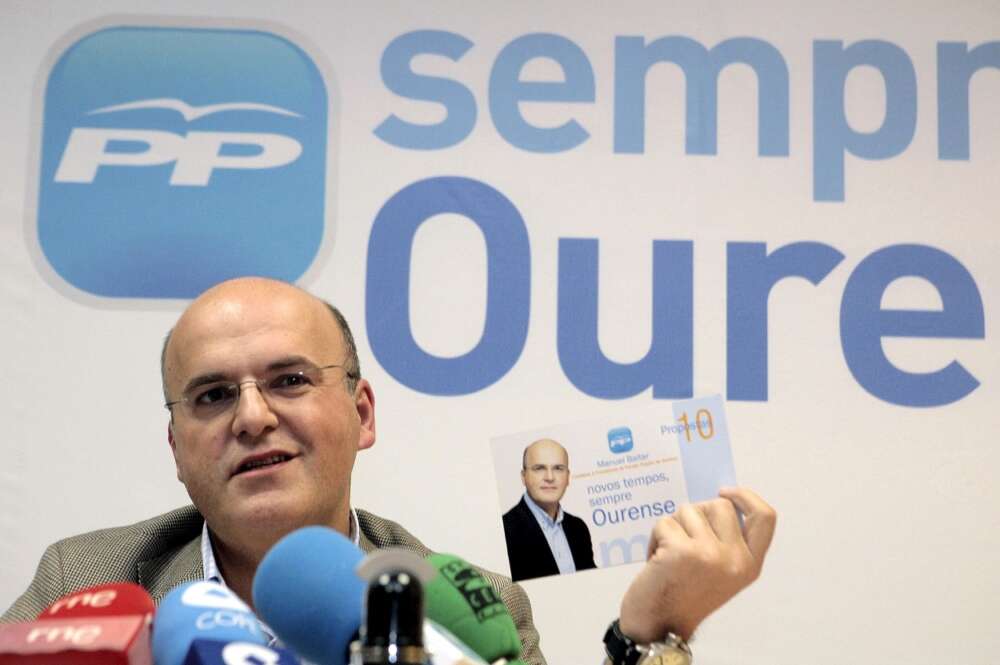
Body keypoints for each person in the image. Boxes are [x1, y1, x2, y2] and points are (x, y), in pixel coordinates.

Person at [2, 277, 777, 665]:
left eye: (290, 380)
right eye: (211, 395)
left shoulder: (468, 608)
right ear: (176, 448)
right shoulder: (88, 578)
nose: (251, 416)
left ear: (363, 413)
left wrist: (653, 630)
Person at [503, 438, 597, 581]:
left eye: (558, 468)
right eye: (539, 468)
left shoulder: (578, 528)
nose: (550, 477)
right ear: (523, 477)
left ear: (568, 477)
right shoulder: (506, 531)